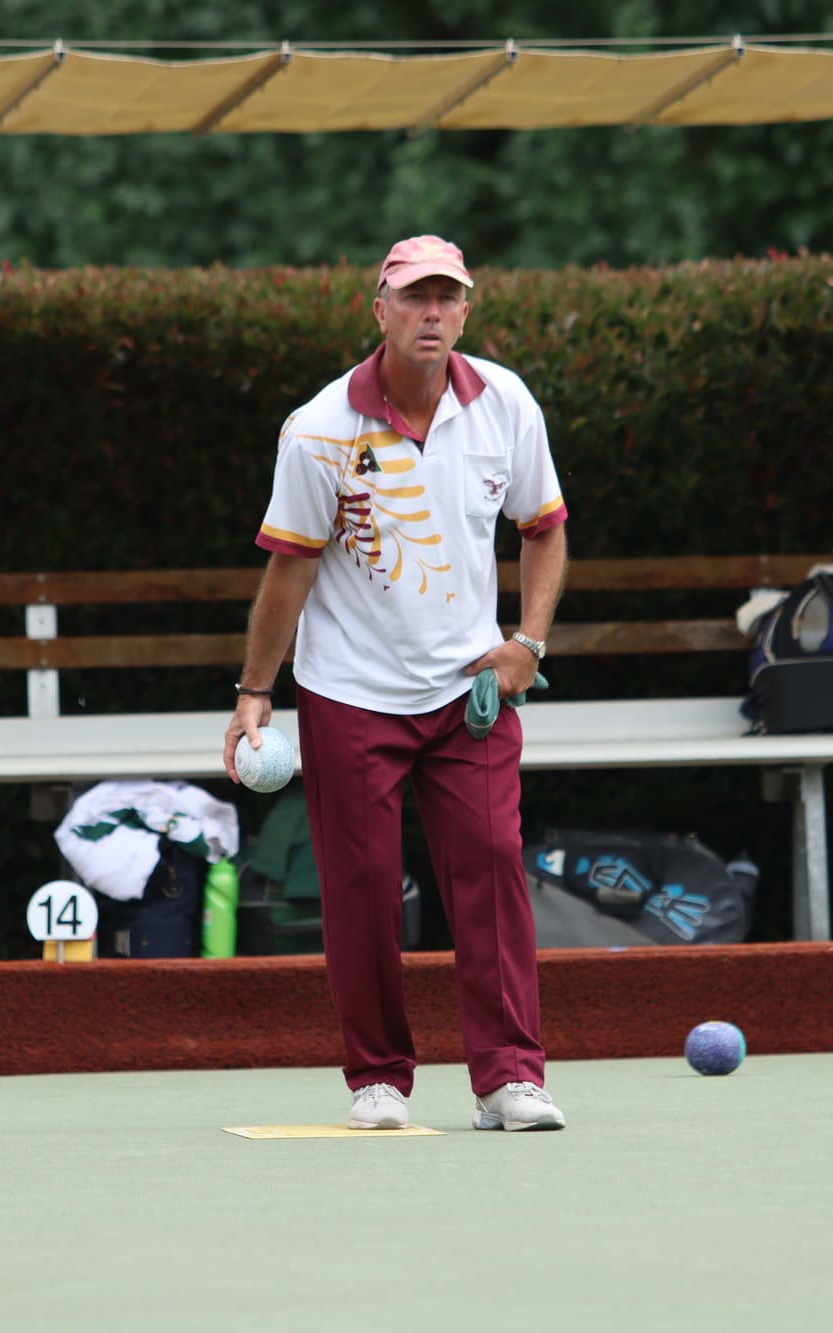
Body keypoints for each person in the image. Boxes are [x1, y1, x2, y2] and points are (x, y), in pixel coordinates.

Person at [222, 234, 570, 1132]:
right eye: (414, 298)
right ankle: (377, 1077)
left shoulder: (505, 403)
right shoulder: (320, 429)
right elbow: (288, 573)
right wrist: (255, 691)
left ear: (467, 309)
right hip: (349, 693)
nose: (431, 313)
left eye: (446, 297)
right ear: (380, 310)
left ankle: (509, 1079)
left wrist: (528, 639)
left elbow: (543, 527)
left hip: (469, 695)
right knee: (363, 886)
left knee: (493, 870)